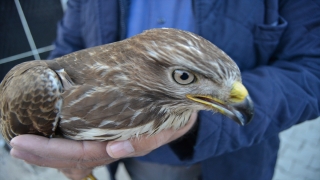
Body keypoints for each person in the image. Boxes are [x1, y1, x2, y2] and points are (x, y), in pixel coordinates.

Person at [9, 0, 320, 180]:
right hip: (140, 165)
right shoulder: (37, 86)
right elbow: (68, 47)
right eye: (184, 76)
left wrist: (197, 119)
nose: (241, 98)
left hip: (236, 160)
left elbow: (313, 67)